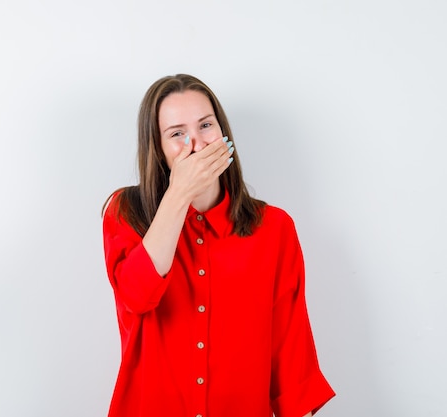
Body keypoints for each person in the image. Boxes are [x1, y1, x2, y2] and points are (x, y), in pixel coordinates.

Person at [102, 74, 335, 417]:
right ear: (158, 147)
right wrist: (179, 193)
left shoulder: (274, 228)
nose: (196, 143)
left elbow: (290, 348)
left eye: (205, 125)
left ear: (224, 134)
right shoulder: (125, 212)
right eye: (177, 133)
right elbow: (137, 295)